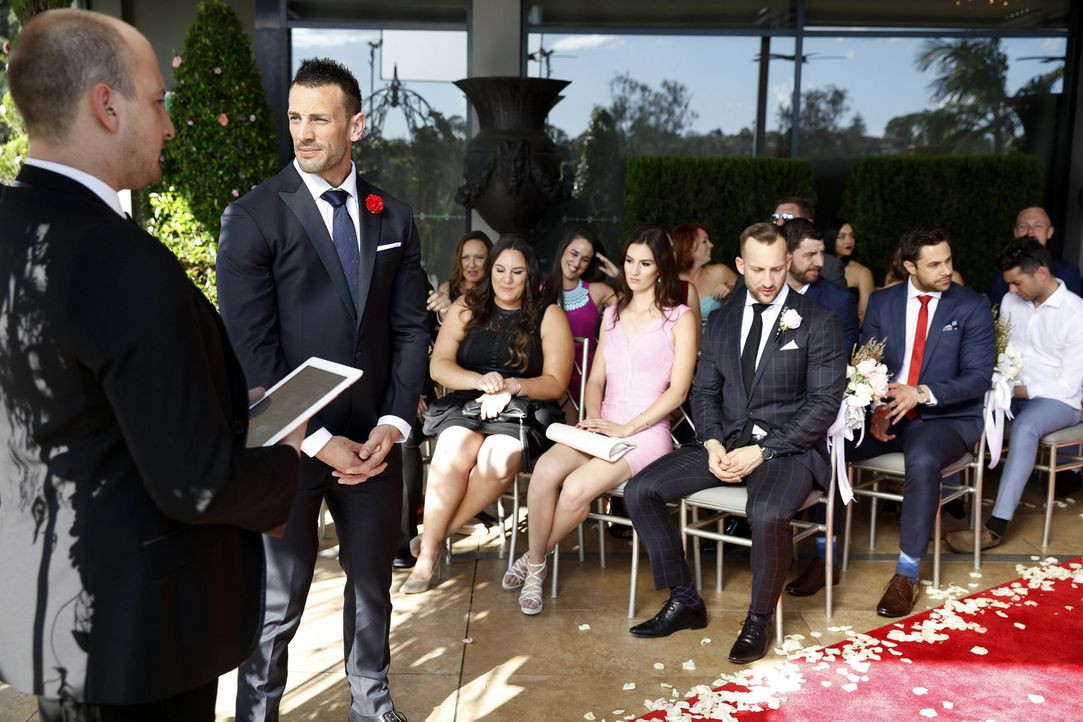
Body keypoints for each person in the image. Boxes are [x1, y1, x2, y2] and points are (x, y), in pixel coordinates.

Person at [0, 9, 299, 721]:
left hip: (50, 606)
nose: (169, 124)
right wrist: (290, 466)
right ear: (106, 104)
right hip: (137, 637)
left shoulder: (16, 229)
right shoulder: (117, 261)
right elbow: (196, 485)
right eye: (158, 100)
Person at [217, 58, 429, 722]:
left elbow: (409, 329)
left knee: (372, 588)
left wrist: (394, 422)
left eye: (318, 118)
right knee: (279, 597)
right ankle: (257, 712)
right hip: (288, 446)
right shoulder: (252, 217)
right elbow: (249, 352)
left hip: (373, 442)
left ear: (355, 124)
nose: (302, 134)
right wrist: (315, 439)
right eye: (294, 118)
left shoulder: (391, 216)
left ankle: (371, 701)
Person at [624, 222, 846, 664]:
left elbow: (823, 404)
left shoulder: (819, 321)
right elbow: (704, 392)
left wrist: (763, 450)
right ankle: (685, 597)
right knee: (640, 490)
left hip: (788, 450)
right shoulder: (722, 321)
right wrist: (710, 443)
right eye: (758, 270)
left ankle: (759, 619)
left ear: (787, 264)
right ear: (741, 266)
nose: (767, 281)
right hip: (723, 443)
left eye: (776, 270)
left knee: (764, 511)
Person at [506, 224, 697, 615]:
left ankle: (535, 565)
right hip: (603, 423)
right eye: (629, 261)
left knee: (576, 487)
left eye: (645, 263)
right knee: (544, 469)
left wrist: (628, 427)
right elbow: (594, 380)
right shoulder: (612, 312)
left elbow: (678, 393)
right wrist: (593, 417)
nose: (634, 270)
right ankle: (537, 562)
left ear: (661, 268)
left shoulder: (681, 317)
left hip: (646, 432)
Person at [406, 236, 573, 594]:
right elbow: (439, 366)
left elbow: (556, 383)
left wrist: (512, 386)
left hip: (523, 409)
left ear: (529, 275)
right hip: (467, 400)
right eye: (500, 270)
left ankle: (434, 541)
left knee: (499, 458)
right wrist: (480, 381)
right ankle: (427, 559)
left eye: (516, 272)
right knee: (451, 447)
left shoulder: (549, 314)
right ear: (489, 270)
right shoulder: (466, 306)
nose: (506, 279)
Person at [844, 227, 994, 618]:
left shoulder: (972, 305)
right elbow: (867, 363)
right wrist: (876, 409)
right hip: (888, 414)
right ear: (910, 266)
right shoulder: (882, 302)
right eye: (935, 264)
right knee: (829, 444)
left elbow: (979, 377)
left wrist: (922, 392)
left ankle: (906, 574)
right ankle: (821, 554)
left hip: (946, 417)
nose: (947, 269)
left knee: (923, 460)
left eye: (948, 259)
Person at [944, 238, 1083, 553]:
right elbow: (1003, 353)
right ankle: (946, 505)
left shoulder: (1077, 313)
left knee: (1025, 428)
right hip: (1010, 393)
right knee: (960, 411)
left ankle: (995, 527)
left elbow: (1070, 385)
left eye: (1017, 282)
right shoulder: (1010, 303)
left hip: (1060, 401)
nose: (1012, 290)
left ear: (1042, 273)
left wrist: (1015, 390)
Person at [541, 226, 617, 416]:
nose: (576, 263)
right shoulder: (540, 290)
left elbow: (635, 308)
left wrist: (618, 277)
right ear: (563, 250)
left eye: (585, 259)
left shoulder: (596, 291)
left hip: (586, 377)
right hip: (549, 372)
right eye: (573, 253)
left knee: (581, 431)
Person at [781, 219, 860, 353]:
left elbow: (842, 361)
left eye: (822, 253)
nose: (820, 262)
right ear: (786, 255)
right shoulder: (764, 291)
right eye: (810, 255)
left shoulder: (839, 303)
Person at [986, 206, 1082, 305]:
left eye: (1038, 226)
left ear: (1049, 232)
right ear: (1015, 232)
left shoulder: (1068, 271)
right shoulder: (1001, 273)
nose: (1030, 231)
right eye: (1023, 226)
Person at [771, 196, 846, 288]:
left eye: (787, 218)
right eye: (775, 218)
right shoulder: (762, 259)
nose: (779, 223)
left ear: (808, 222)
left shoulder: (830, 267)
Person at [671, 222, 738, 323]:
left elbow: (747, 292)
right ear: (688, 246)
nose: (711, 245)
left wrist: (731, 290)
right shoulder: (670, 280)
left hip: (713, 337)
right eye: (704, 241)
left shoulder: (719, 272)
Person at [425, 230, 492, 321]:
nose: (472, 264)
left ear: (490, 259)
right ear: (459, 260)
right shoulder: (447, 288)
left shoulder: (496, 291)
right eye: (465, 257)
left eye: (479, 257)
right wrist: (444, 312)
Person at [824, 217, 874, 324]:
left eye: (852, 236)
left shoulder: (862, 272)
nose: (849, 241)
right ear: (830, 239)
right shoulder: (817, 267)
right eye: (841, 237)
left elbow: (865, 313)